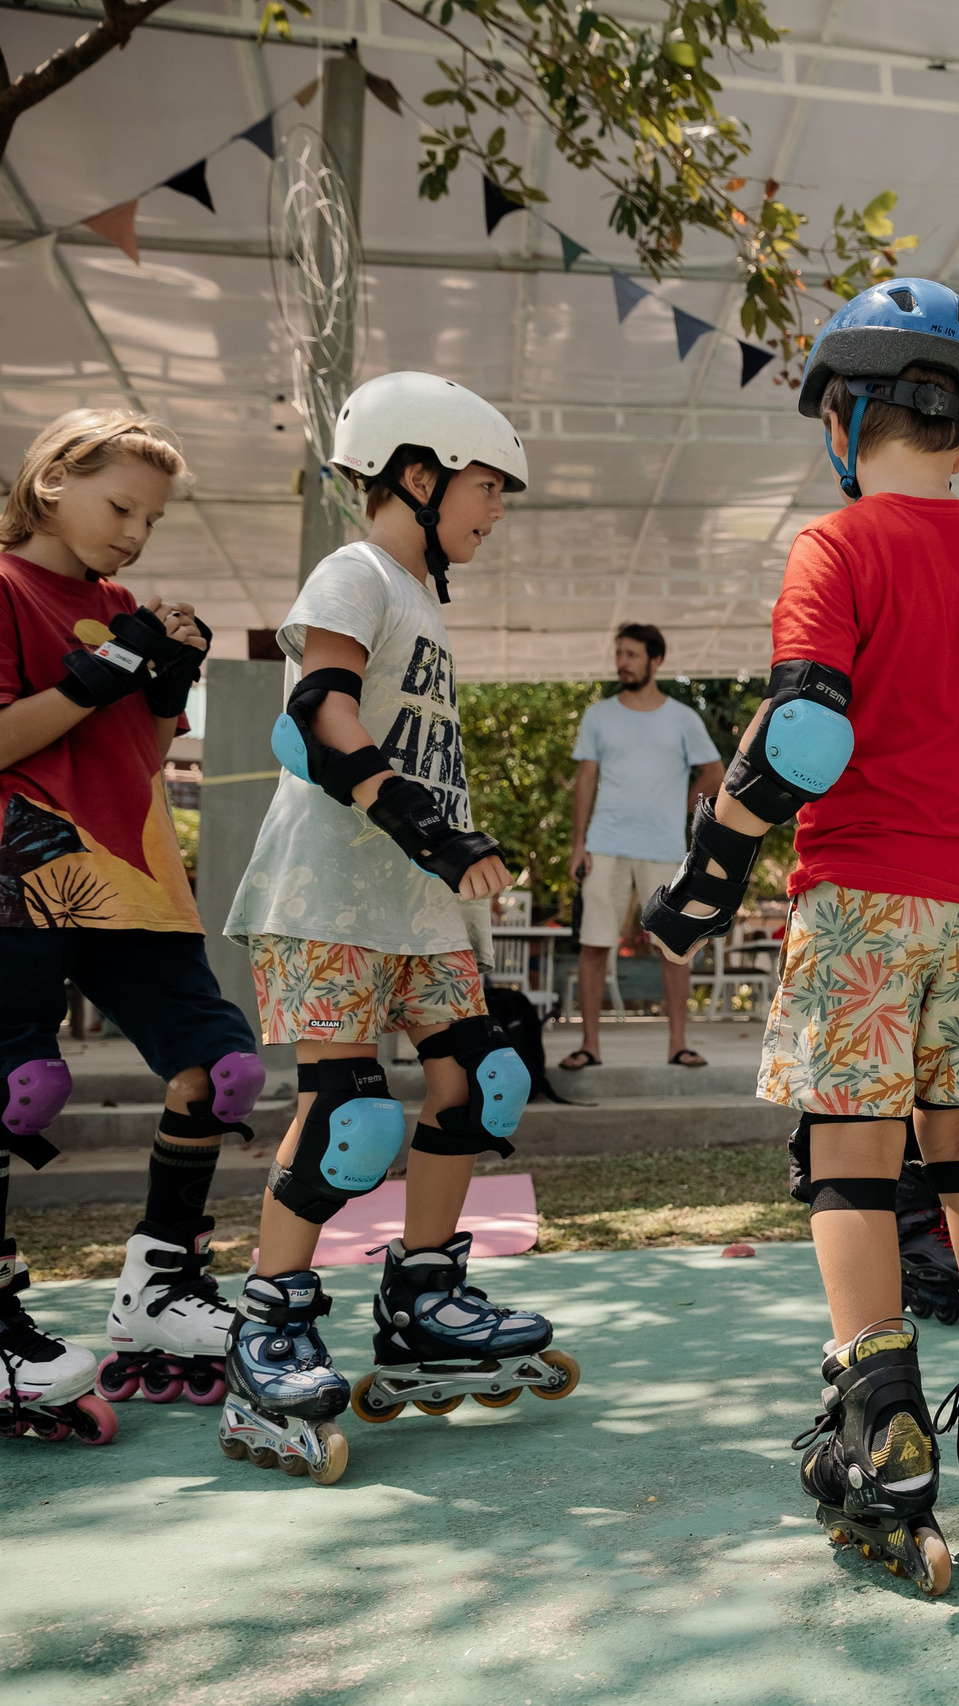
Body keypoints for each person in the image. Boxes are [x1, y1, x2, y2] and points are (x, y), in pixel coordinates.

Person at [641, 278, 959, 1596]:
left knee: (848, 1158)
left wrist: (709, 876)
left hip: (862, 895)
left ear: (844, 415)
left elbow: (802, 735)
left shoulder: (834, 548)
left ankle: (883, 1430)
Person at [222, 372, 571, 1484]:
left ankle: (424, 1296)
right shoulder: (356, 571)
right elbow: (321, 708)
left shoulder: (423, 599)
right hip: (329, 895)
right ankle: (268, 1324)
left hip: (418, 906)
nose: (497, 509)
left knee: (482, 1081)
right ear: (417, 475)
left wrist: (454, 849)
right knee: (351, 1118)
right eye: (487, 486)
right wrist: (423, 821)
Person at [0, 410, 256, 1447]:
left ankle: (159, 1284)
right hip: (23, 865)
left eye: (152, 519)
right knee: (19, 1086)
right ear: (52, 480)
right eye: (120, 507)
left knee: (221, 1068)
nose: (136, 533)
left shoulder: (118, 607)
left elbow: (144, 751)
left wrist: (168, 678)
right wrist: (101, 671)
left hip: (135, 869)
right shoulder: (6, 588)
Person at [560, 622, 721, 1072]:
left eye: (631, 654)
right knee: (594, 945)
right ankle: (589, 1046)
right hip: (605, 846)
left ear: (656, 660)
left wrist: (680, 809)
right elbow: (585, 780)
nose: (622, 663)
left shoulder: (683, 719)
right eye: (619, 654)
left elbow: (714, 773)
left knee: (673, 948)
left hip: (665, 850)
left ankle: (678, 1045)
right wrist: (578, 845)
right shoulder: (599, 715)